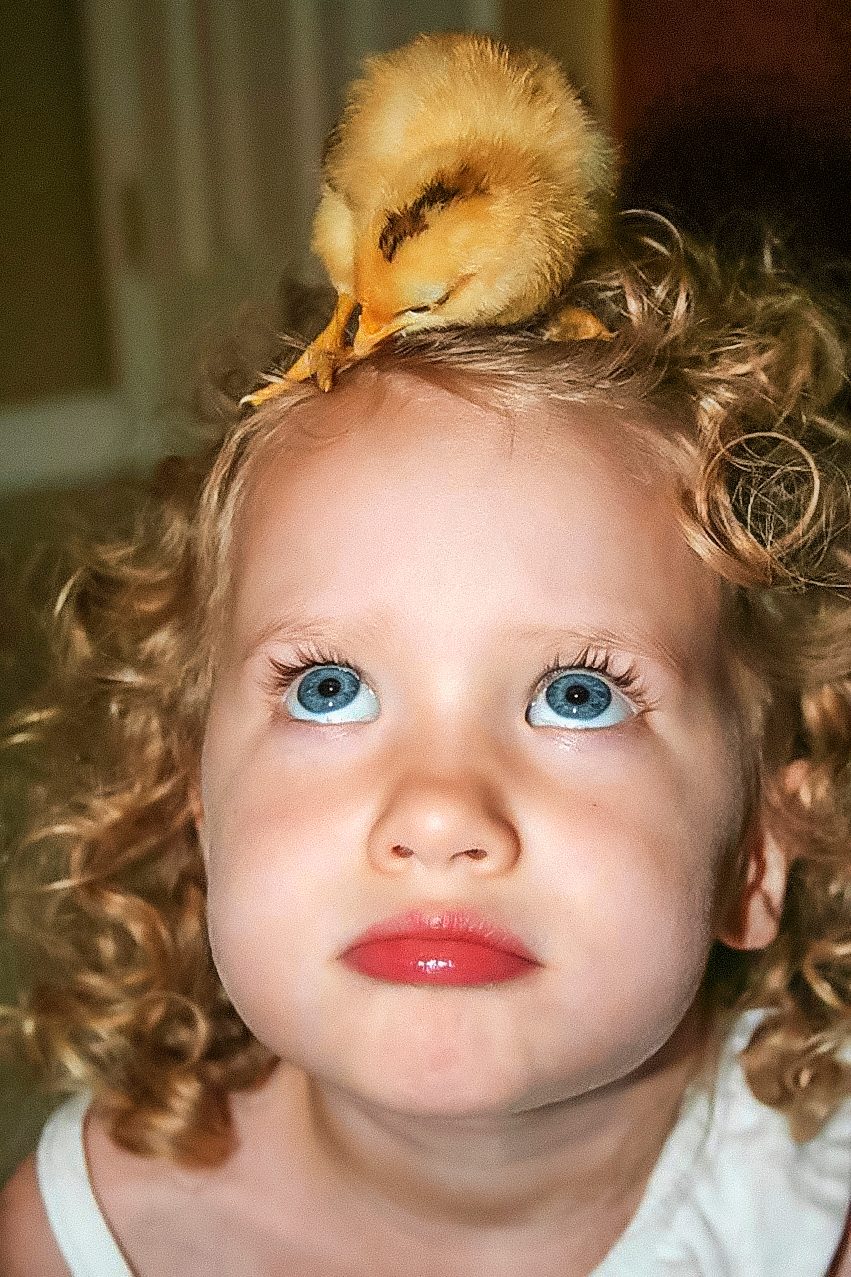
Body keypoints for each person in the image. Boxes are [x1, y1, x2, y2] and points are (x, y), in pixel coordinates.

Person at [0, 218, 849, 1276]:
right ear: (197, 802)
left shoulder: (820, 1220)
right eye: (329, 688)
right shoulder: (83, 1240)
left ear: (761, 846)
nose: (438, 812)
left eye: (577, 695)